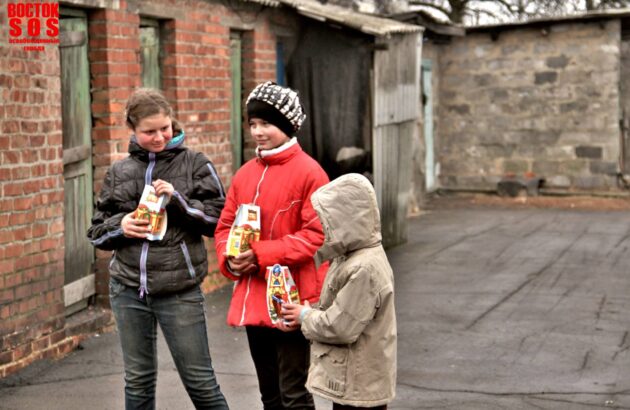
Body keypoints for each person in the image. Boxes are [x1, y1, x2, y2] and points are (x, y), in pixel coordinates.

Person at [87, 88, 229, 410]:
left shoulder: (195, 163)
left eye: (164, 128)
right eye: (149, 131)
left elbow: (219, 219)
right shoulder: (119, 172)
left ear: (172, 121)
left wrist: (178, 201)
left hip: (178, 291)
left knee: (201, 383)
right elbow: (96, 231)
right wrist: (120, 227)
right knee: (137, 383)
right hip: (127, 289)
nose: (159, 136)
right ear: (132, 130)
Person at [214, 81, 329, 409]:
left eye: (267, 123)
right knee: (269, 393)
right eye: (253, 124)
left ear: (288, 125)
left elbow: (315, 235)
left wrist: (262, 254)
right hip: (254, 298)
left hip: (292, 298)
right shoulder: (245, 174)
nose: (259, 131)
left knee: (293, 392)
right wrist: (230, 258)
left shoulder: (311, 173)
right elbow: (225, 227)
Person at [281, 173, 397, 410]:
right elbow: (342, 309)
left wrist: (305, 316)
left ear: (349, 220)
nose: (324, 229)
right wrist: (308, 312)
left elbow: (341, 326)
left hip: (360, 382)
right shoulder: (351, 256)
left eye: (328, 222)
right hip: (354, 378)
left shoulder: (364, 267)